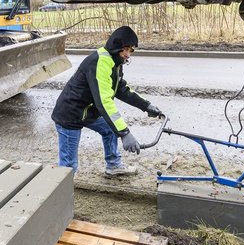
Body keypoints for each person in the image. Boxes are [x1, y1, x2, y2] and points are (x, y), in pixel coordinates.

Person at [52, 26, 163, 176]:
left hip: (88, 111)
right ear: (116, 47)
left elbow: (121, 90)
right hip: (70, 114)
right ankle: (60, 193)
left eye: (131, 51)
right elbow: (104, 101)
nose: (128, 55)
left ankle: (113, 165)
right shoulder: (100, 62)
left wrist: (146, 105)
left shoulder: (114, 62)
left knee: (111, 129)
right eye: (126, 50)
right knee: (69, 166)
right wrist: (124, 133)